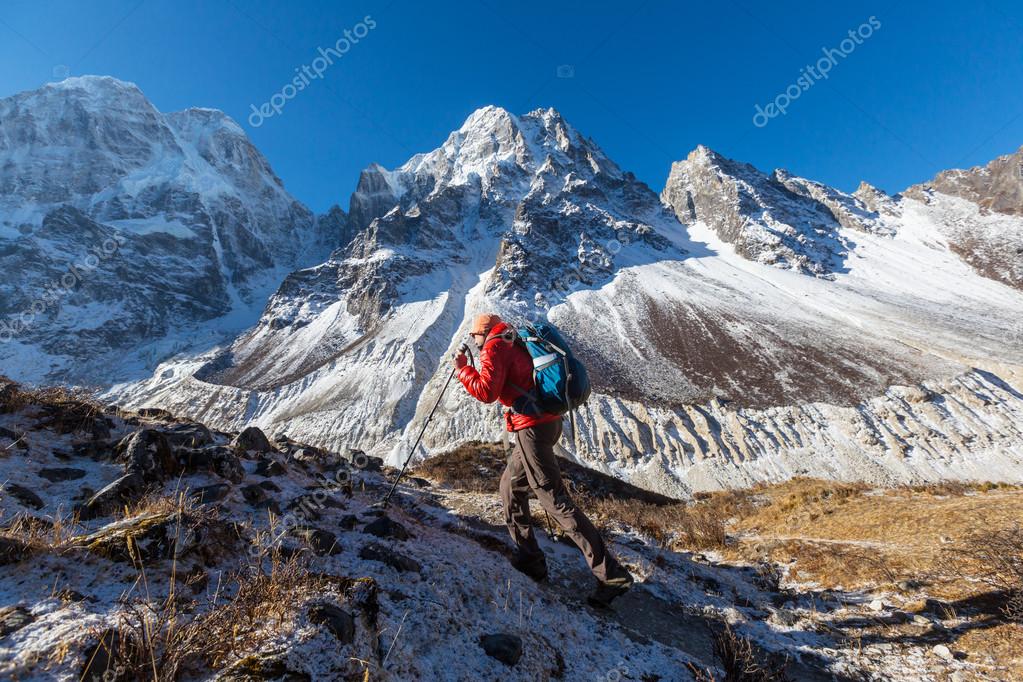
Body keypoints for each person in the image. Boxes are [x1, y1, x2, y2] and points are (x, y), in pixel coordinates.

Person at [454, 313, 634, 607]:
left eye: (475, 338)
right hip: (547, 422)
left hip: (532, 429)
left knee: (555, 501)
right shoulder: (513, 338)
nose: (474, 343)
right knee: (510, 489)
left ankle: (610, 575)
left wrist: (463, 370)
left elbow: (487, 392)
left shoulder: (495, 346)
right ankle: (530, 559)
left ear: (483, 333)